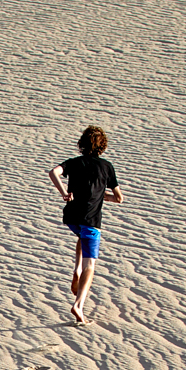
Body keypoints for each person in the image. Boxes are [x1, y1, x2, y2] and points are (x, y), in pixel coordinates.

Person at [48, 126, 123, 323]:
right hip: (91, 221)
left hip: (72, 217)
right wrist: (101, 196)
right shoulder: (107, 167)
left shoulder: (74, 163)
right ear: (102, 146)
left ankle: (76, 268)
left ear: (82, 144)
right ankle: (79, 305)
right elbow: (118, 198)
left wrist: (64, 192)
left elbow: (53, 172)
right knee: (92, 263)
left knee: (81, 237)